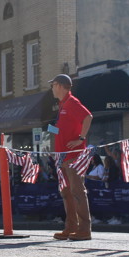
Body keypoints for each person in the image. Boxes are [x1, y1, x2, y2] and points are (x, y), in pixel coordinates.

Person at [48, 74, 93, 241]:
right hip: (63, 156)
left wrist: (81, 138)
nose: (52, 88)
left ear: (60, 85)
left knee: (77, 191)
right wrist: (51, 130)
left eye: (53, 85)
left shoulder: (72, 102)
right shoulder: (63, 104)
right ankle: (71, 227)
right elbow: (63, 129)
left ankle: (84, 229)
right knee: (66, 192)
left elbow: (88, 117)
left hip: (73, 156)